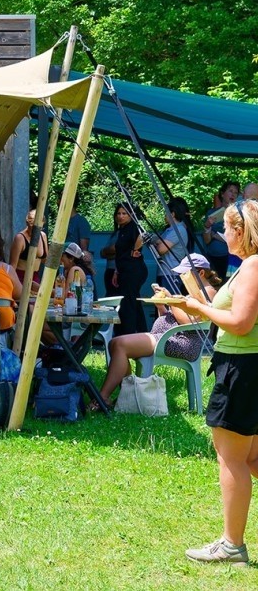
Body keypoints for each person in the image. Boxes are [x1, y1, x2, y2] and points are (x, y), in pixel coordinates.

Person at [178, 199, 258, 564]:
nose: (223, 235)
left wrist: (199, 309)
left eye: (227, 228)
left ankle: (231, 546)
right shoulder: (249, 267)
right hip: (246, 367)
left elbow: (240, 322)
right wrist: (196, 302)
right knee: (253, 457)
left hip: (241, 370)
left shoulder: (253, 267)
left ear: (240, 232)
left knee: (231, 460)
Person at [93, 256, 215, 411]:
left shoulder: (208, 292)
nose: (182, 277)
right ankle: (130, 394)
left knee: (120, 344)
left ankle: (102, 398)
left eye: (185, 273)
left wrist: (171, 301)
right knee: (115, 343)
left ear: (201, 273)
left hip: (182, 343)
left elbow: (188, 323)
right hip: (167, 337)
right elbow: (172, 319)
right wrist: (162, 306)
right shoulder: (192, 292)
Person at [101, 201, 149, 335]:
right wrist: (117, 270)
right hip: (123, 269)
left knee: (128, 304)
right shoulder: (121, 230)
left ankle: (128, 335)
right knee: (132, 302)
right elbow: (120, 253)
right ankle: (142, 332)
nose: (121, 216)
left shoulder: (133, 227)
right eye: (118, 213)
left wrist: (135, 249)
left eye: (124, 214)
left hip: (133, 270)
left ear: (130, 215)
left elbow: (143, 235)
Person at [146, 196, 191, 290]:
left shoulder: (178, 229)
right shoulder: (170, 230)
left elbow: (161, 249)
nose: (164, 216)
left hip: (171, 274)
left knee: (167, 303)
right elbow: (158, 241)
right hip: (165, 272)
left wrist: (155, 242)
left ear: (173, 214)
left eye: (166, 213)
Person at [203, 181, 242, 276]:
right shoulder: (211, 213)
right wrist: (207, 226)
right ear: (222, 193)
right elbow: (207, 241)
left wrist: (215, 235)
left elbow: (237, 238)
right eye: (230, 191)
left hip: (230, 258)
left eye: (235, 192)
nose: (233, 194)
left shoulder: (238, 214)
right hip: (212, 258)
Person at [9, 209, 47, 283]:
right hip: (21, 278)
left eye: (39, 228)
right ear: (27, 223)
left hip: (35, 277)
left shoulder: (43, 236)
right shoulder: (20, 238)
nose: (36, 231)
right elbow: (12, 266)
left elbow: (45, 260)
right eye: (32, 227)